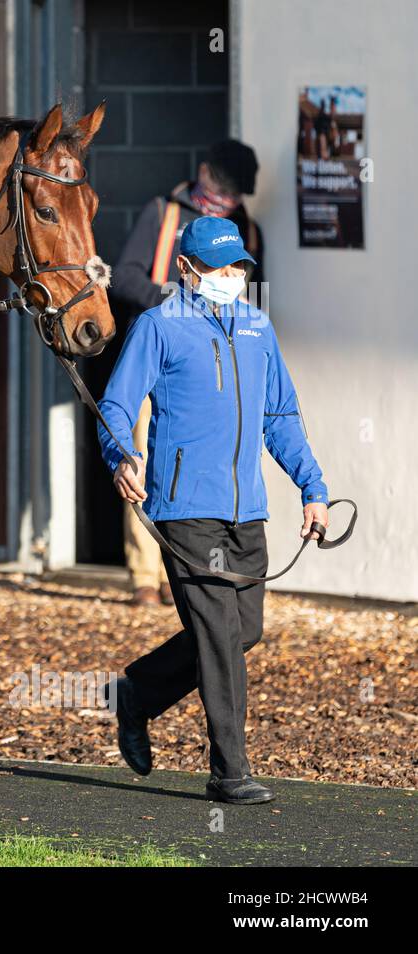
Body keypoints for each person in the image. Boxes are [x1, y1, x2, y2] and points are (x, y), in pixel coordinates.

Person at [96, 216, 329, 805]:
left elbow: (280, 417)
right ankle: (230, 772)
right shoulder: (157, 327)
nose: (231, 277)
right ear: (186, 270)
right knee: (220, 637)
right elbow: (117, 405)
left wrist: (313, 488)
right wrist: (124, 456)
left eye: (238, 269)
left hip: (246, 509)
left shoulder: (257, 328)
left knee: (243, 630)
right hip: (185, 509)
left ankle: (137, 693)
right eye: (220, 269)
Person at [110, 139, 265, 606]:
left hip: (217, 368)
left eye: (235, 193)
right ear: (204, 173)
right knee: (140, 455)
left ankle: (188, 566)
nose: (228, 200)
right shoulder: (164, 214)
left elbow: (256, 300)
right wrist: (179, 302)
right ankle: (144, 574)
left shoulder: (249, 232)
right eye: (223, 187)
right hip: (159, 355)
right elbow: (126, 276)